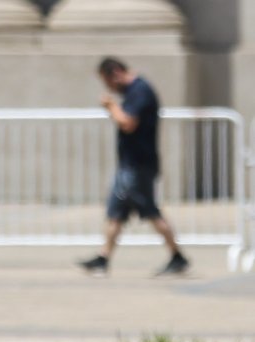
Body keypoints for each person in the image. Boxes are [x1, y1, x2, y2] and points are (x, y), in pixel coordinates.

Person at [79, 57, 189, 278]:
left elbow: (128, 123)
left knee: (149, 211)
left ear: (116, 73)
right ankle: (103, 258)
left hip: (138, 165)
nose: (109, 88)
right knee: (116, 212)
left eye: (108, 82)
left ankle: (178, 257)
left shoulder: (140, 91)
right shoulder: (135, 92)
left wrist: (111, 106)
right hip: (131, 164)